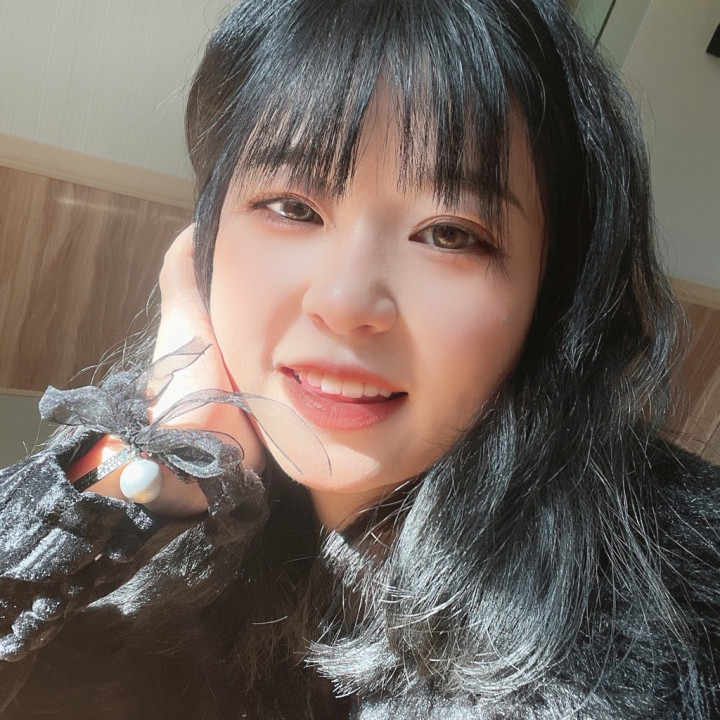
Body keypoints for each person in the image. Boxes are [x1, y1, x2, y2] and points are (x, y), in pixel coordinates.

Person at [1, 0, 718, 717]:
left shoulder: (677, 593)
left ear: (553, 289)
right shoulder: (167, 476)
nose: (344, 303)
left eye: (449, 233)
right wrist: (169, 454)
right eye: (292, 208)